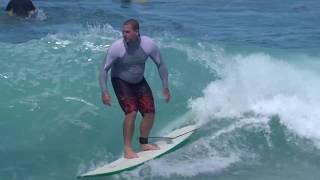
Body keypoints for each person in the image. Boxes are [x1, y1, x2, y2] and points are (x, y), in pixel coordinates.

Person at [99, 19, 171, 159]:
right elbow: (104, 69)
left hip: (139, 81)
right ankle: (127, 149)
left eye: (127, 32)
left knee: (150, 112)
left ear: (137, 32)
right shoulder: (117, 48)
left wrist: (165, 87)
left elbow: (161, 65)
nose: (124, 35)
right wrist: (104, 91)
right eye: (123, 32)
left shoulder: (148, 44)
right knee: (131, 112)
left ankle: (144, 143)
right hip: (121, 81)